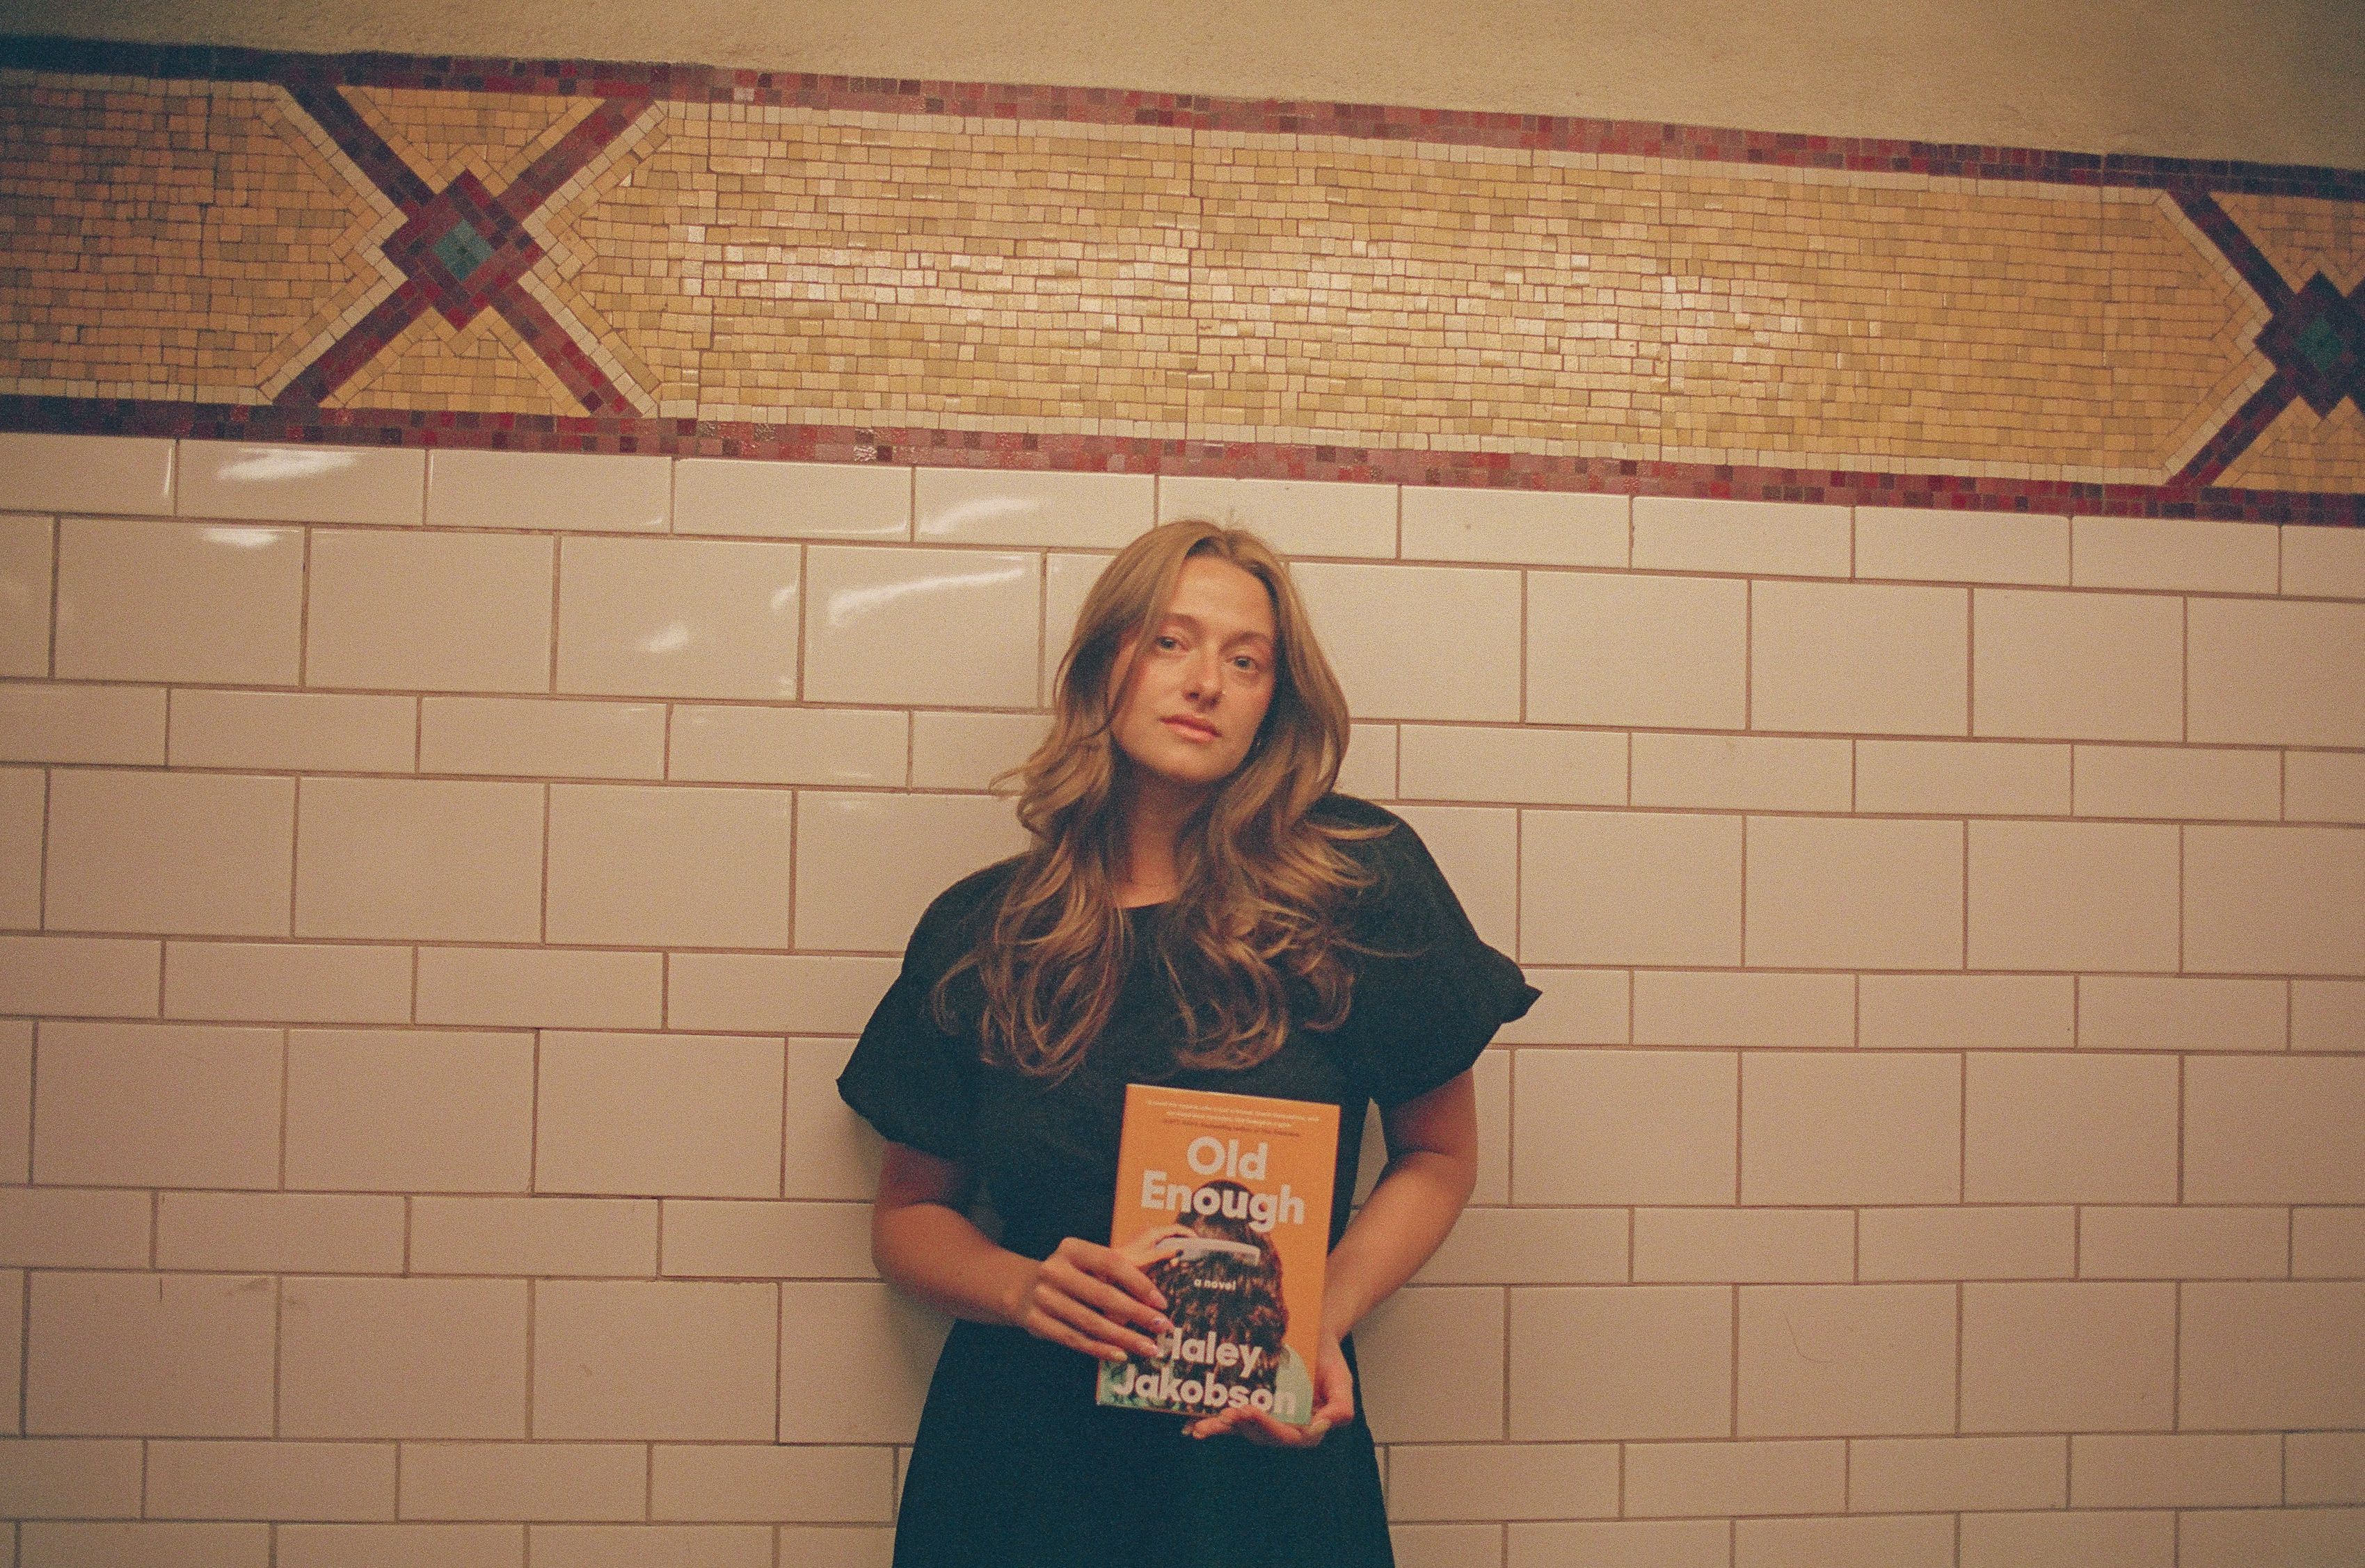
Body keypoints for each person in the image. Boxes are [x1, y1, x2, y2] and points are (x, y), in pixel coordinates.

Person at [836, 518, 1537, 1568]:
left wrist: (1318, 1315)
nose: (1205, 680)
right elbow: (908, 1217)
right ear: (1103, 665)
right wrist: (1023, 1289)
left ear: (1274, 702)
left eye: (1245, 659)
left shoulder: (1357, 884)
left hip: (1258, 1463)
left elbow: (1440, 1158)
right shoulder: (986, 930)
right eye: (1170, 641)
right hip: (1023, 1469)